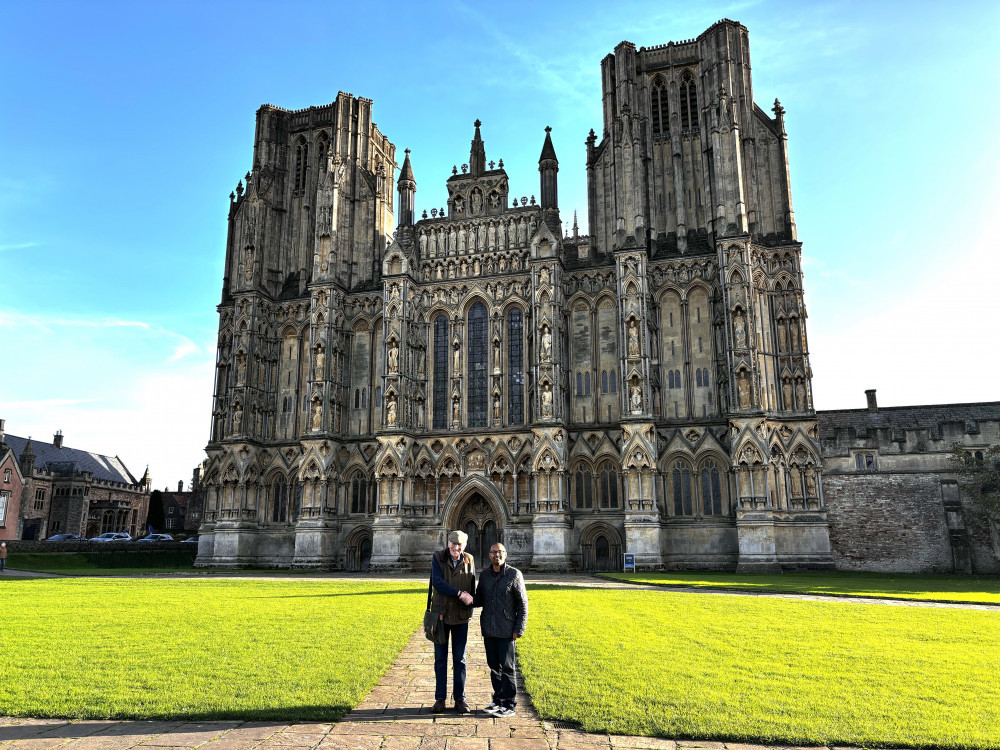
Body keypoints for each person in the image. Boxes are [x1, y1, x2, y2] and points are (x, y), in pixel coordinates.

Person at [475, 543, 528, 718]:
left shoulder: (514, 574)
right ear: (489, 555)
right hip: (489, 629)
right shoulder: (484, 576)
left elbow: (523, 604)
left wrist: (519, 628)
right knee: (493, 667)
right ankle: (498, 700)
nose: (497, 555)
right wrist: (462, 596)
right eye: (494, 552)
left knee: (507, 668)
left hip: (507, 629)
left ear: (505, 555)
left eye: (500, 552)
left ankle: (510, 704)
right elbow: (479, 599)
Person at [430, 530, 476, 713]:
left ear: (464, 546)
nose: (455, 547)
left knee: (460, 659)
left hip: (460, 616)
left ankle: (460, 699)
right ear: (447, 543)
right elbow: (437, 582)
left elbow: (472, 586)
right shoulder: (438, 557)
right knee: (440, 659)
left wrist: (472, 604)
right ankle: (440, 699)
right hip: (441, 615)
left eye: (459, 545)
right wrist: (459, 594)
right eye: (452, 543)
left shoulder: (469, 560)